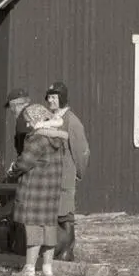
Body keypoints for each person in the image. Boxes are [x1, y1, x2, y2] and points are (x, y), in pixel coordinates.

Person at [8, 103, 67, 276]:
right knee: (49, 226)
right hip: (51, 190)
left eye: (29, 120)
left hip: (35, 190)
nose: (29, 124)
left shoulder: (37, 138)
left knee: (33, 228)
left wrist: (13, 169)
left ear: (36, 119)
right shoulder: (58, 139)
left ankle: (29, 268)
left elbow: (25, 162)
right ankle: (47, 267)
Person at [46, 81, 89, 262]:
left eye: (54, 97)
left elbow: (82, 151)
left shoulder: (72, 121)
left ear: (62, 99)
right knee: (54, 211)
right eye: (49, 97)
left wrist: (78, 172)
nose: (51, 101)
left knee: (66, 212)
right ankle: (55, 249)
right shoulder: (49, 119)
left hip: (65, 173)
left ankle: (68, 251)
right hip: (51, 174)